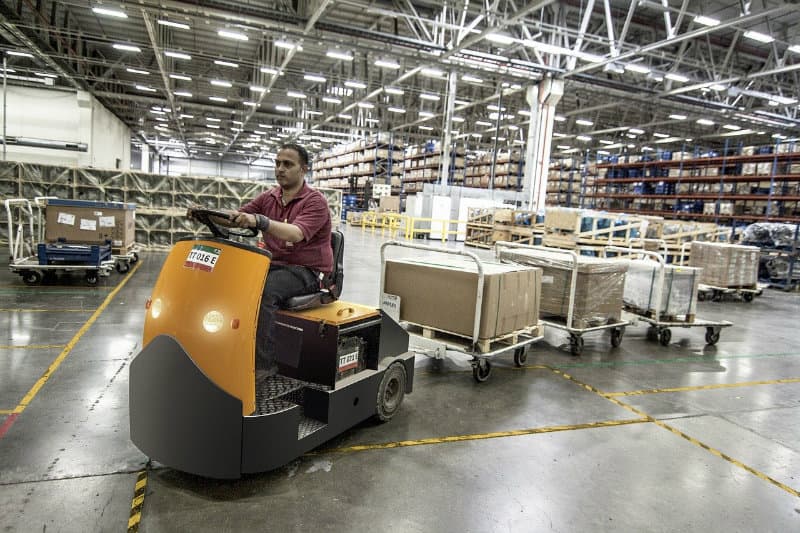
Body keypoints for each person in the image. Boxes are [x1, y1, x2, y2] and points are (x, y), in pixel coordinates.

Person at [188, 143, 333, 376]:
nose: (280, 169)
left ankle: (263, 365)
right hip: (274, 264)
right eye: (277, 164)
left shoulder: (315, 202)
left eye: (288, 164)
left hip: (307, 271)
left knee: (264, 291)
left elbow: (295, 233)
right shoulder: (269, 197)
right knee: (232, 283)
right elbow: (238, 217)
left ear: (304, 169)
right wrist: (206, 214)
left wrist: (260, 221)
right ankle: (233, 346)